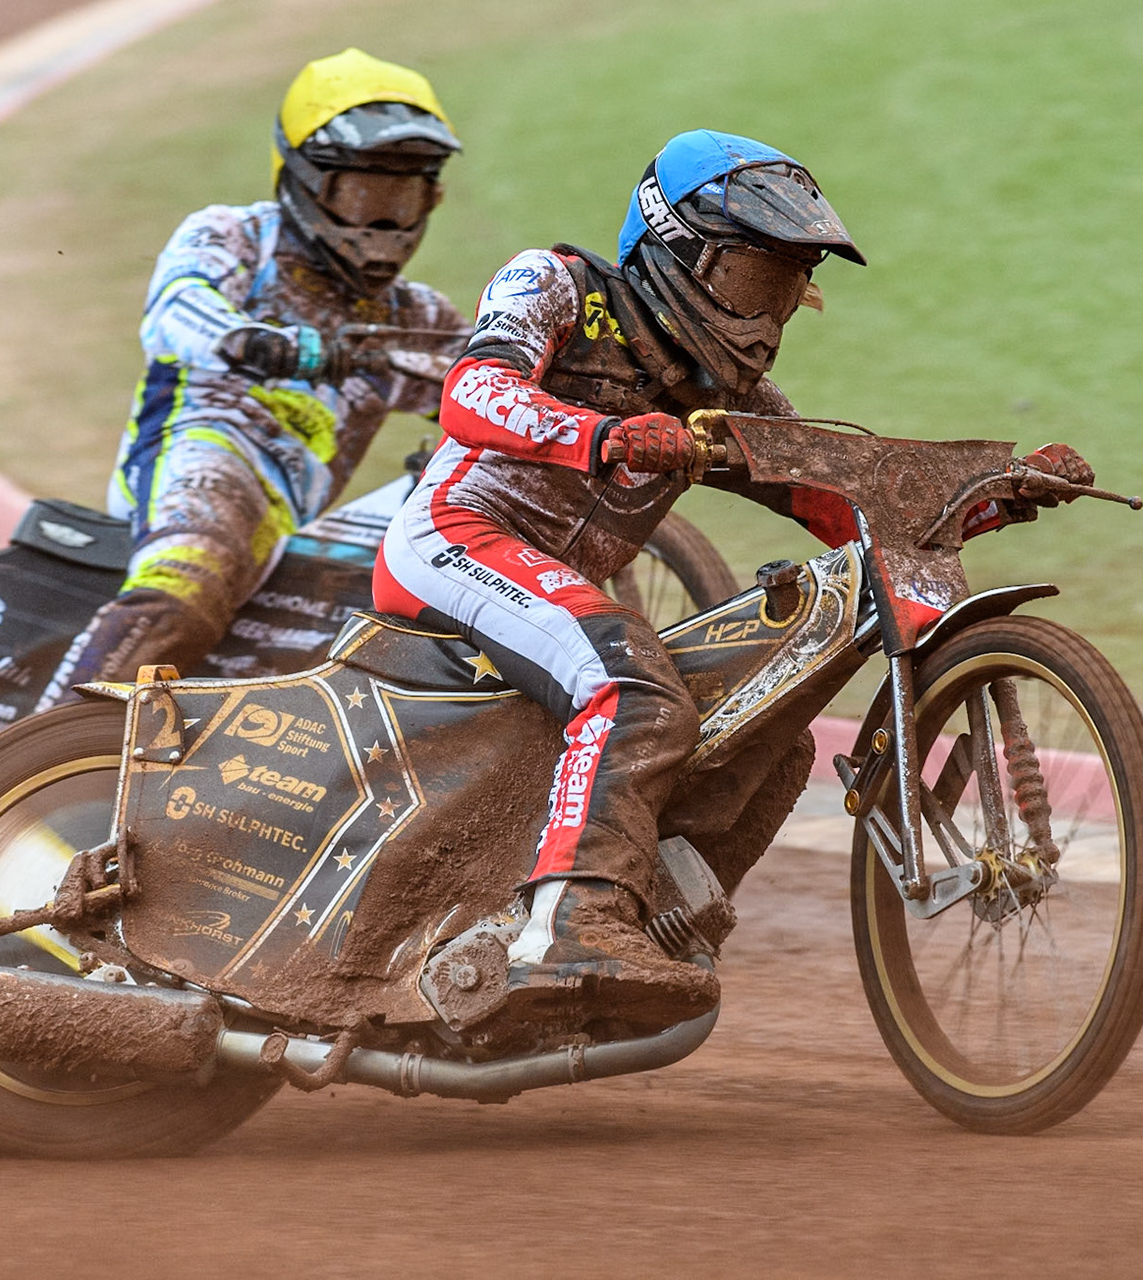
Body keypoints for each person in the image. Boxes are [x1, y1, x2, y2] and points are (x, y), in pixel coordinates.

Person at [373, 129, 1093, 1021]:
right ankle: (570, 926)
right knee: (632, 687)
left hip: (557, 592)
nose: (767, 321)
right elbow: (471, 394)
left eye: (788, 291)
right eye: (755, 281)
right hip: (457, 538)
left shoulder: (732, 402)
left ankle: (661, 915)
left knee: (775, 737)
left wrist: (995, 496)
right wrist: (604, 434)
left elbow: (851, 506)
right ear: (676, 248)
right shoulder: (557, 284)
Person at [39, 48, 465, 702]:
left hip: (290, 525)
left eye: (401, 195)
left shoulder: (413, 314)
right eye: (361, 191)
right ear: (301, 179)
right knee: (191, 583)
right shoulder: (236, 237)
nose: (382, 221)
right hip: (199, 457)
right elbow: (176, 308)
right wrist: (250, 340)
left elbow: (488, 381)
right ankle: (24, 765)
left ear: (430, 197)